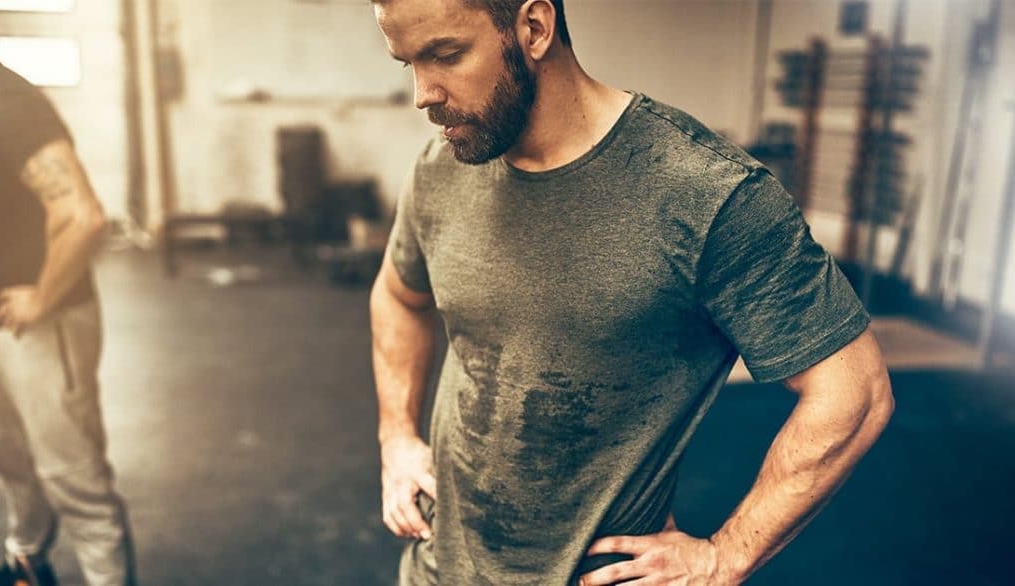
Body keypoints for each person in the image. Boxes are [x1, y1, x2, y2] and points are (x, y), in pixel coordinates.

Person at [368, 1, 895, 584]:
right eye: (407, 62)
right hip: (437, 569)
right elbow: (398, 295)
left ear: (534, 28)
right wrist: (396, 434)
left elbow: (855, 391)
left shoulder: (706, 193)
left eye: (445, 55)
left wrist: (725, 555)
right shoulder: (442, 167)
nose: (423, 93)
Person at [0, 59, 136, 586]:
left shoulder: (6, 102)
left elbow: (82, 215)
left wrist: (41, 298)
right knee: (11, 462)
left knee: (74, 483)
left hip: (38, 325)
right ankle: (27, 562)